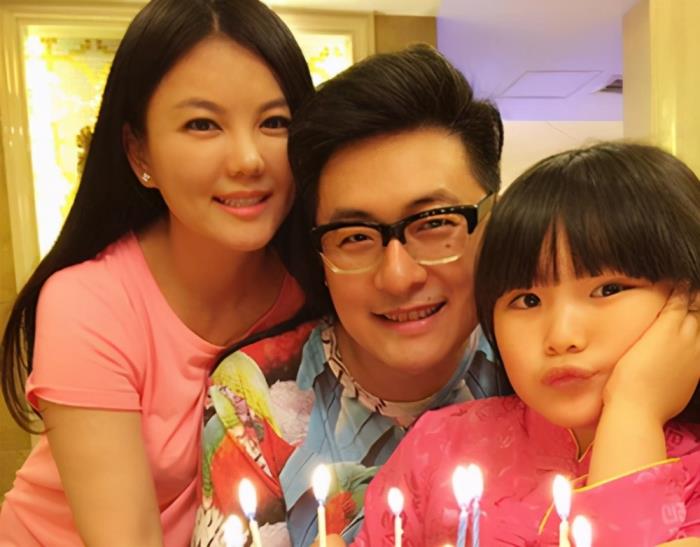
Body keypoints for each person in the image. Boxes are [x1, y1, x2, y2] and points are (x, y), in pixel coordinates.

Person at [0, 0, 313, 545]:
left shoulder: (315, 288)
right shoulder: (88, 303)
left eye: (274, 122)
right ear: (139, 152)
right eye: (202, 124)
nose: (247, 159)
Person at [193, 44, 509, 546]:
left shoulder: (543, 365)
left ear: (494, 224)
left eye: (434, 224)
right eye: (356, 236)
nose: (398, 276)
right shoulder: (256, 400)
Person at [353, 142, 700, 546]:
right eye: (528, 301)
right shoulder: (442, 443)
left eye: (608, 290)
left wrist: (634, 412)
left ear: (690, 299)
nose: (562, 337)